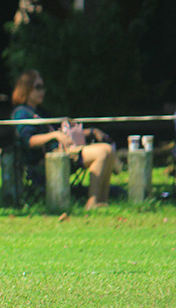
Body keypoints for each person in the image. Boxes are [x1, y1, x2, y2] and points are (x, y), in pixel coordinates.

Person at [10, 69, 116, 210]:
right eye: (38, 87)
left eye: (43, 87)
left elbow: (63, 131)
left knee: (108, 150)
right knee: (102, 153)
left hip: (63, 151)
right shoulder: (21, 113)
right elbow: (29, 141)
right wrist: (54, 136)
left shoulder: (42, 112)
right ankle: (92, 202)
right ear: (26, 88)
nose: (42, 91)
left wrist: (91, 131)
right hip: (44, 160)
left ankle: (102, 201)